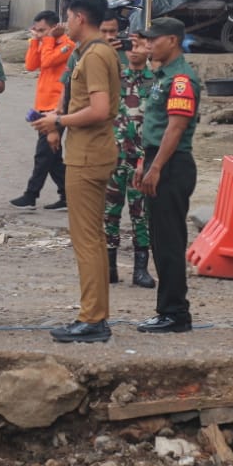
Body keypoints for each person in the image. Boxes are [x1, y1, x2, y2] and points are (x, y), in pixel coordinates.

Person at [32, 0, 122, 343]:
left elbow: (100, 110)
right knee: (93, 240)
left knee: (87, 240)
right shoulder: (92, 52)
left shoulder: (96, 55)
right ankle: (94, 315)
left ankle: (93, 318)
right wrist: (58, 116)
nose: (64, 23)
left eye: (67, 17)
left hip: (88, 156)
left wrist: (60, 122)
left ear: (79, 17)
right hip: (88, 152)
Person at [135, 17, 201, 333]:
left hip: (172, 165)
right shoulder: (162, 76)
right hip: (157, 160)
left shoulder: (180, 80)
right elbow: (154, 127)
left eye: (154, 39)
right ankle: (166, 310)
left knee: (170, 242)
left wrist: (156, 166)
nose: (149, 44)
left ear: (172, 40)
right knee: (160, 242)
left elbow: (176, 128)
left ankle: (176, 313)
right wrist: (143, 164)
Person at [10, 10, 74, 209]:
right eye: (36, 30)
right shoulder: (45, 43)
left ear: (55, 28)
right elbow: (31, 65)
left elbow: (47, 61)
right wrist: (35, 42)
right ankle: (67, 195)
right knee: (52, 155)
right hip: (43, 104)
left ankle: (31, 194)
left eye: (43, 30)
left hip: (57, 107)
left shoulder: (67, 45)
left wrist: (46, 40)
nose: (39, 33)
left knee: (43, 154)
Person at [105, 33, 154, 287]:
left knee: (140, 213)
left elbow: (159, 121)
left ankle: (140, 269)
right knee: (109, 212)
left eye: (139, 46)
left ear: (149, 49)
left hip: (141, 158)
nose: (133, 51)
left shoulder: (155, 82)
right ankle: (109, 266)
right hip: (114, 155)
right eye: (130, 46)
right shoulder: (115, 78)